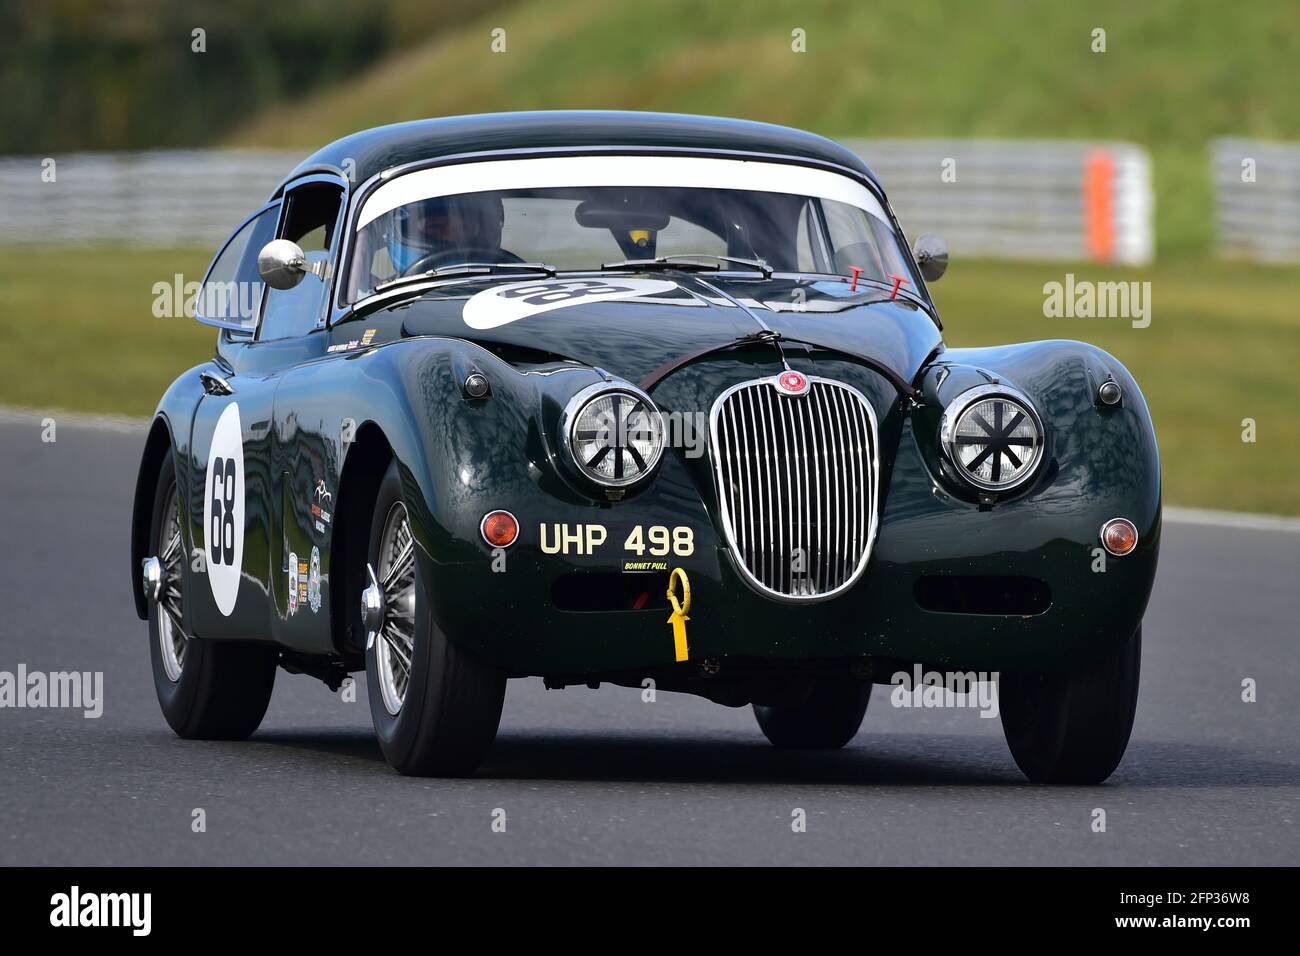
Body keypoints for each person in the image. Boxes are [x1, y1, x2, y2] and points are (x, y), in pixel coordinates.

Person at [384, 193, 513, 275]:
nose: (454, 237)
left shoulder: (509, 286)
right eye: (437, 227)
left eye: (465, 228)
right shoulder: (380, 307)